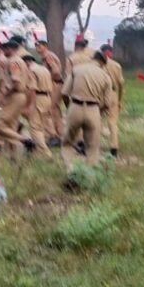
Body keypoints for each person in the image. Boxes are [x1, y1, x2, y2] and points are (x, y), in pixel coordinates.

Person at [61, 51, 113, 185]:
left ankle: (71, 172)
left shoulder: (76, 69)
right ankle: (88, 179)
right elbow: (107, 103)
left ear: (92, 59)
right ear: (102, 63)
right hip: (93, 109)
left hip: (75, 106)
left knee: (68, 143)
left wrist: (69, 108)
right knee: (92, 147)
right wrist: (96, 110)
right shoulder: (106, 76)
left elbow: (65, 93)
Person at [0, 40, 31, 158]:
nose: (3, 51)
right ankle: (12, 157)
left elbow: (15, 81)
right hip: (19, 96)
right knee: (11, 127)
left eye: (4, 48)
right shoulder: (19, 61)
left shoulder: (13, 62)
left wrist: (4, 94)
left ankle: (25, 140)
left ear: (10, 48)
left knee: (0, 126)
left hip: (15, 95)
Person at [22, 55, 53, 157]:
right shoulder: (44, 69)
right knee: (41, 126)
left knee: (34, 127)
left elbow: (32, 89)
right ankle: (39, 149)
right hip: (47, 98)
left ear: (27, 62)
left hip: (38, 99)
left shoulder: (31, 70)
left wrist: (29, 105)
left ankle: (45, 153)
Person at [35, 40, 65, 144]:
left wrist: (47, 79)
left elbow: (56, 72)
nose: (37, 47)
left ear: (45, 46)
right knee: (55, 110)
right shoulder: (47, 56)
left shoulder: (48, 56)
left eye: (39, 45)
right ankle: (60, 133)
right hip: (58, 84)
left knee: (49, 110)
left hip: (54, 84)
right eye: (36, 45)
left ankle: (53, 136)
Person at [100, 45, 125, 157]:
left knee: (95, 120)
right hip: (113, 94)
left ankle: (92, 144)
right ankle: (114, 147)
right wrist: (119, 99)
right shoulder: (116, 65)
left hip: (99, 94)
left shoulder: (96, 65)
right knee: (112, 122)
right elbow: (121, 84)